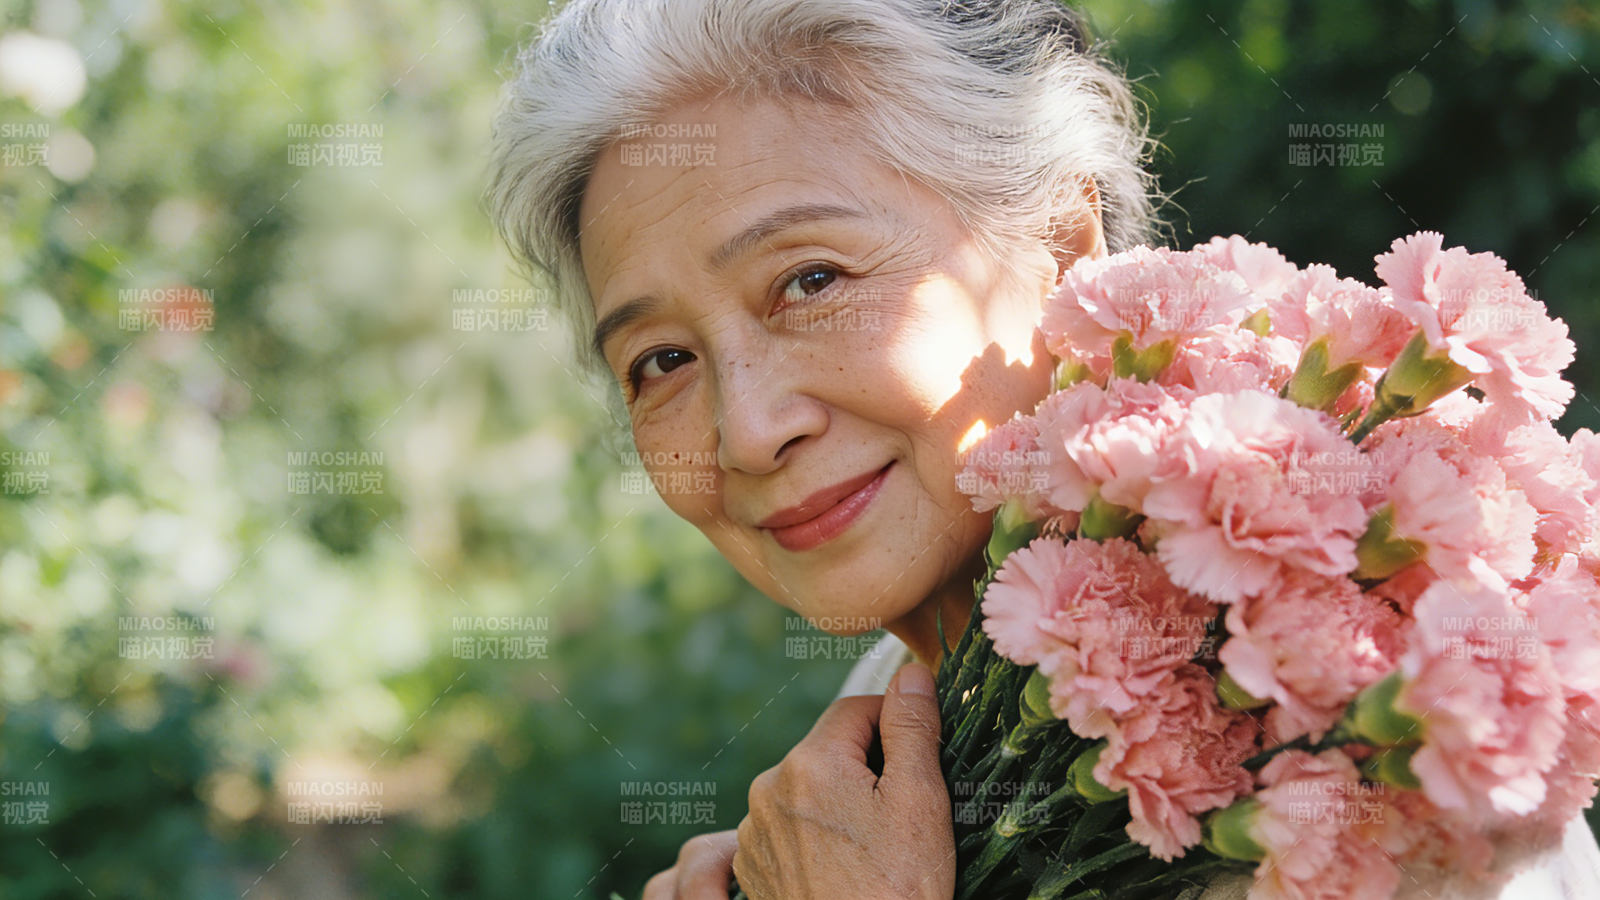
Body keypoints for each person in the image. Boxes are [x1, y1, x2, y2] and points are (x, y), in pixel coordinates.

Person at [486, 1, 1600, 897]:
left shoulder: (1368, 798)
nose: (745, 429)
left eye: (811, 279)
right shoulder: (904, 723)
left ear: (1064, 248)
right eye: (660, 362)